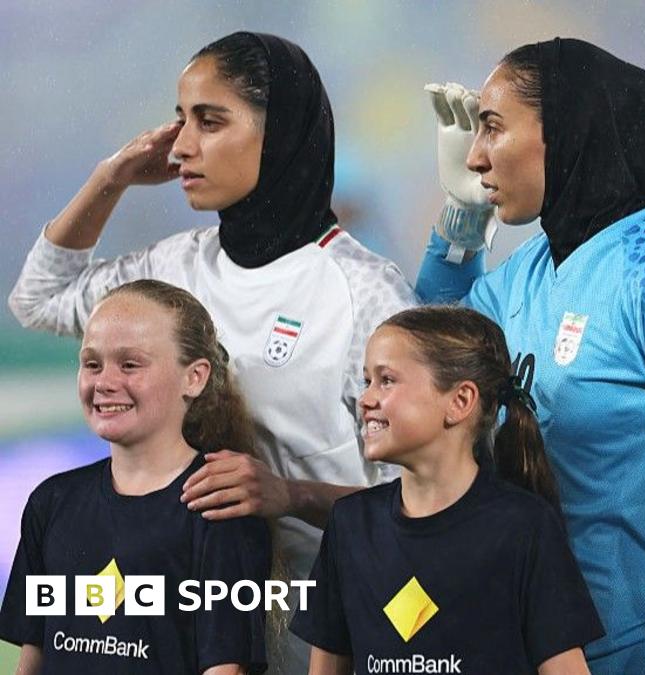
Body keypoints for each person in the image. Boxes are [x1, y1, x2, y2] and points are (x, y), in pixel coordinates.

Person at [6, 31, 417, 670]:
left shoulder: (366, 293)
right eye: (181, 120)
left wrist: (290, 494)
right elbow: (39, 298)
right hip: (194, 639)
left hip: (337, 641)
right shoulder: (174, 268)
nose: (181, 146)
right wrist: (111, 177)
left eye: (211, 121)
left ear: (277, 133)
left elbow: (426, 502)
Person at [416, 38, 645, 673]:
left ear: (565, 131)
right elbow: (431, 354)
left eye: (494, 128)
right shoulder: (529, 271)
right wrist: (461, 219)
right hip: (535, 648)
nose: (476, 156)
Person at [290, 306, 603, 674]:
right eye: (367, 381)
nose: (366, 399)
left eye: (386, 380)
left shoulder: (523, 527)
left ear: (460, 401)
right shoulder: (350, 525)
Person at [0, 280, 272, 674]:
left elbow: (224, 667)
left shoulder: (219, 507)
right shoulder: (52, 502)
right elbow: (33, 657)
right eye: (92, 364)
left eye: (130, 364)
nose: (105, 382)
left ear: (194, 377)